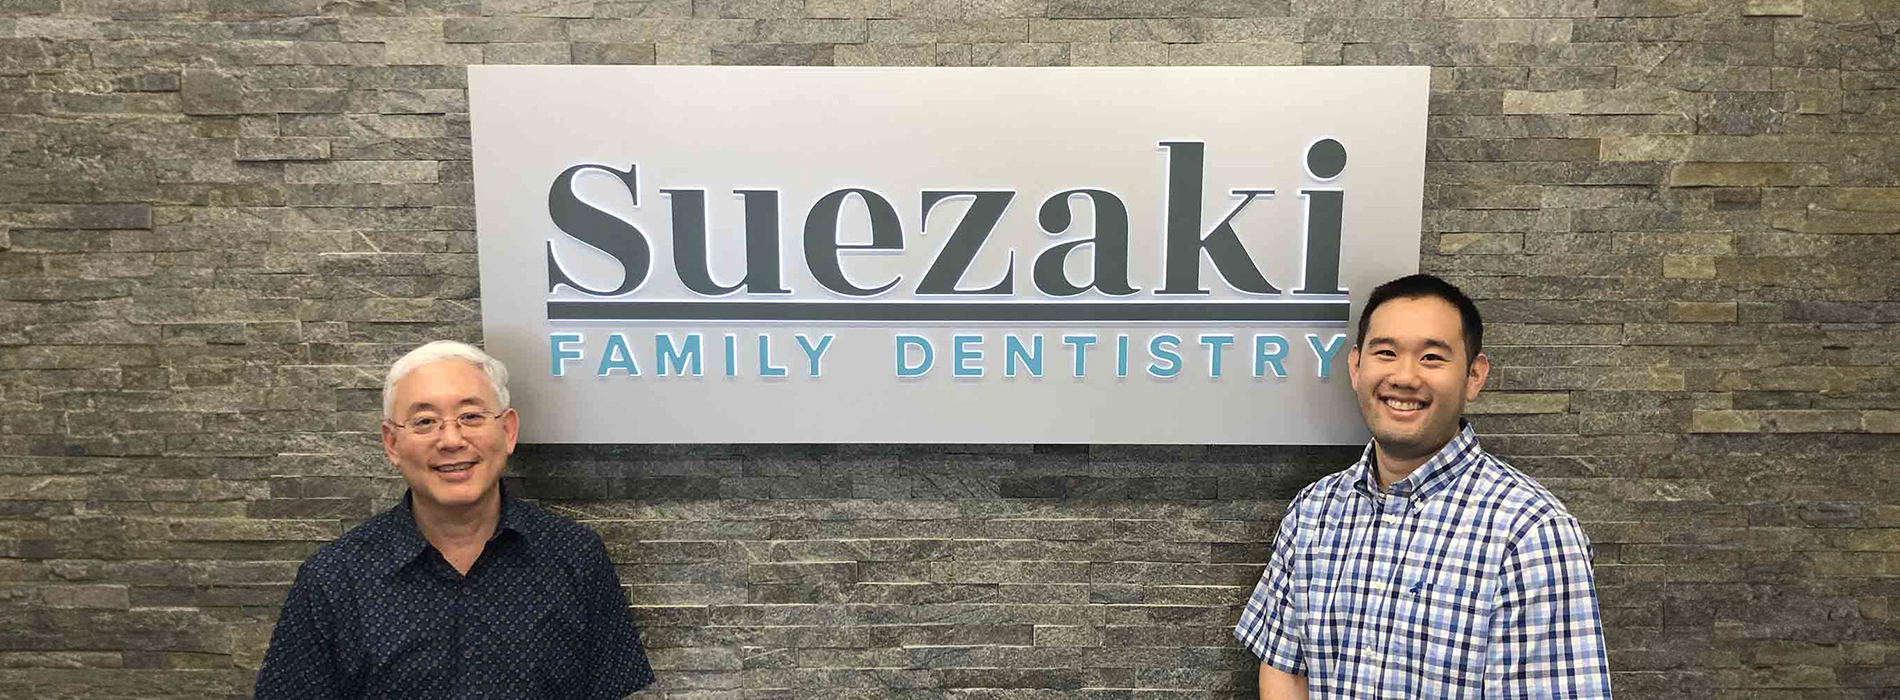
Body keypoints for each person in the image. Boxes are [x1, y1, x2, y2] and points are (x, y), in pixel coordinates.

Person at [1234, 274, 1611, 699]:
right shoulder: (1313, 511)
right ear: (1356, 366)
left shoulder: (1530, 532)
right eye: (1387, 353)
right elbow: (1285, 669)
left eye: (1432, 358)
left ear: (1474, 375)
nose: (1405, 376)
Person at [255, 340, 654, 699]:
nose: (450, 440)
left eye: (471, 416)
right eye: (424, 421)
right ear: (392, 443)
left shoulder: (574, 558)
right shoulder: (334, 578)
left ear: (508, 431)